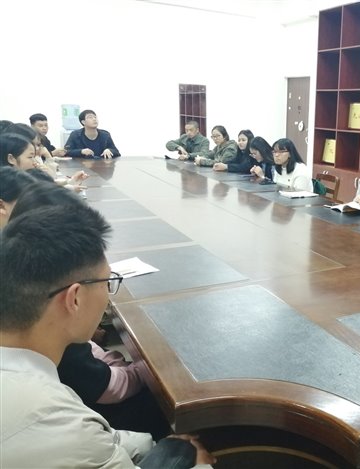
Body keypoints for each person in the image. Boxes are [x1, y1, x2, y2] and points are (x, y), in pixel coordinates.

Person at [0, 204, 215, 468]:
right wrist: (197, 463)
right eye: (106, 282)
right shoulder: (53, 419)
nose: (108, 295)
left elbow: (100, 440)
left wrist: (155, 444)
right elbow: (83, 439)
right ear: (75, 298)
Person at [8, 182, 170, 439]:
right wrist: (150, 369)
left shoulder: (22, 298)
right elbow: (105, 392)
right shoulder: (56, 412)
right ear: (74, 297)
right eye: (106, 283)